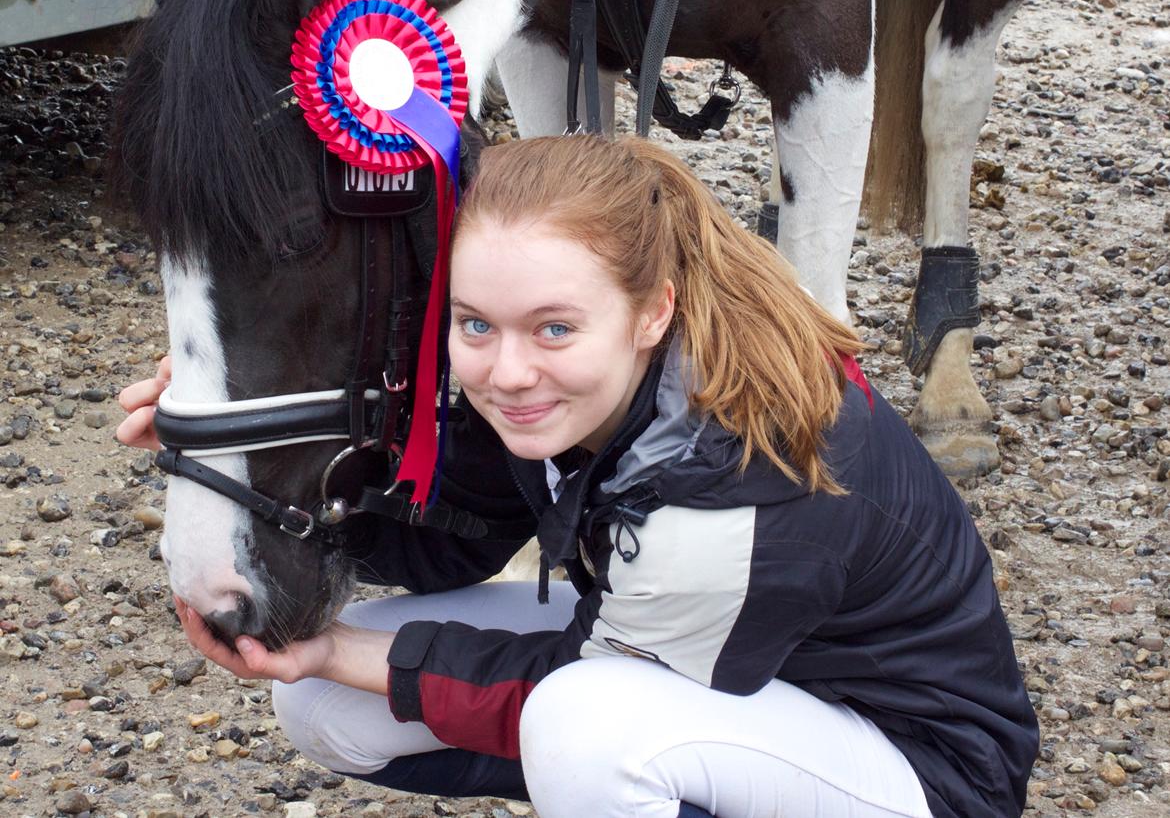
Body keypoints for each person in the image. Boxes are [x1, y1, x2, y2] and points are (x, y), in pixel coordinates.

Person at [118, 134, 1038, 818]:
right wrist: (237, 446)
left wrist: (344, 651)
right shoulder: (568, 384)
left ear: (651, 313)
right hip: (710, 670)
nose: (508, 370)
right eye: (475, 323)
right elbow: (453, 544)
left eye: (553, 327)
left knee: (582, 733)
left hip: (912, 764)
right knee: (318, 704)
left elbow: (567, 683)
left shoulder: (729, 469)